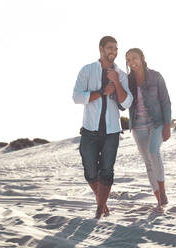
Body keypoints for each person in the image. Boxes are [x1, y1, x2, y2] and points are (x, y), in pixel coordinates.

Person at [73, 36, 133, 219]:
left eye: (116, 48)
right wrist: (101, 93)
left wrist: (115, 82)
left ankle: (99, 210)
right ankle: (103, 201)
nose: (113, 52)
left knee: (107, 170)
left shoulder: (121, 74)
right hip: (89, 131)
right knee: (90, 171)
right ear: (101, 49)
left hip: (112, 132)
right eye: (110, 48)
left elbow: (128, 101)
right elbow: (76, 97)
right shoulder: (87, 70)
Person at [125, 48, 171, 209]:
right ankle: (158, 198)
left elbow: (166, 102)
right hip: (138, 126)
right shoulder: (127, 80)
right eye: (128, 60)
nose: (132, 62)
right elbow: (122, 103)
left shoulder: (156, 76)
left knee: (153, 152)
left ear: (142, 58)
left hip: (156, 123)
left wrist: (167, 125)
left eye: (134, 58)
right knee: (148, 163)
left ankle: (163, 191)